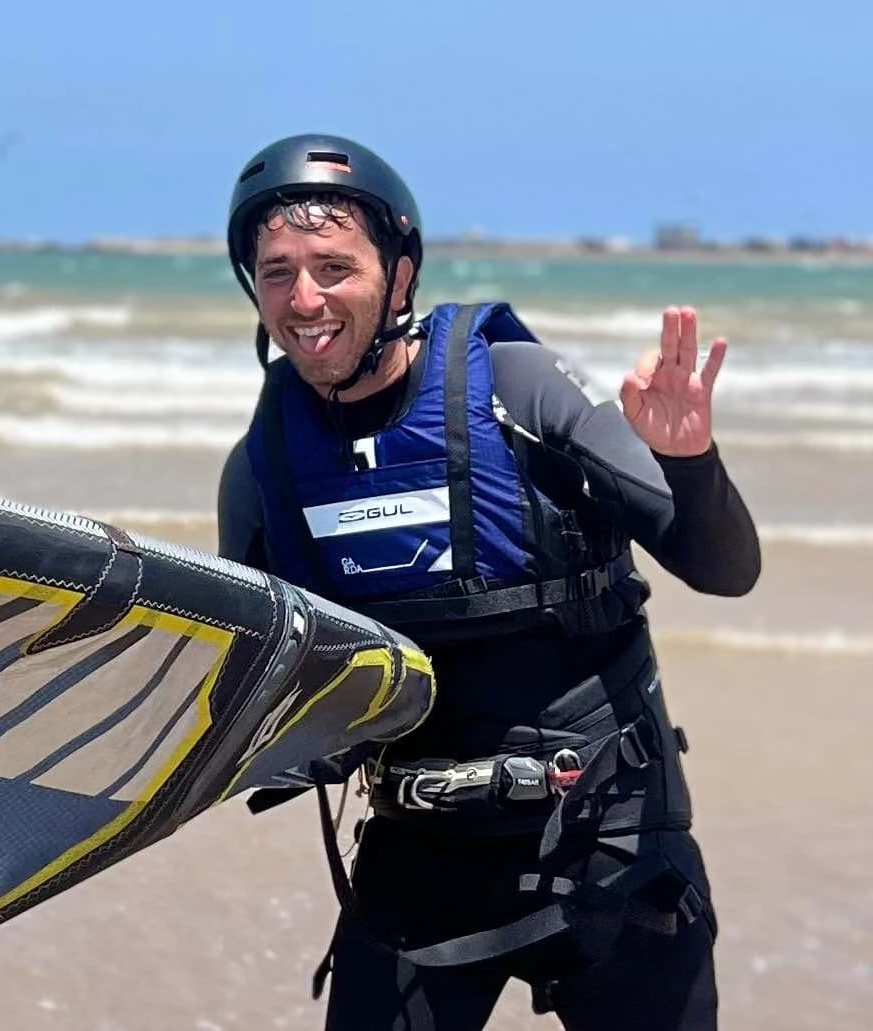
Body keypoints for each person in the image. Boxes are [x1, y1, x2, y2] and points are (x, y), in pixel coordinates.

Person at [214, 134, 760, 1030]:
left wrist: (689, 462)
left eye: (332, 266)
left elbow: (725, 569)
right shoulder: (265, 465)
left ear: (398, 276)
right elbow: (260, 695)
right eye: (276, 272)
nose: (303, 299)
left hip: (608, 842)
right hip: (419, 850)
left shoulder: (516, 386)